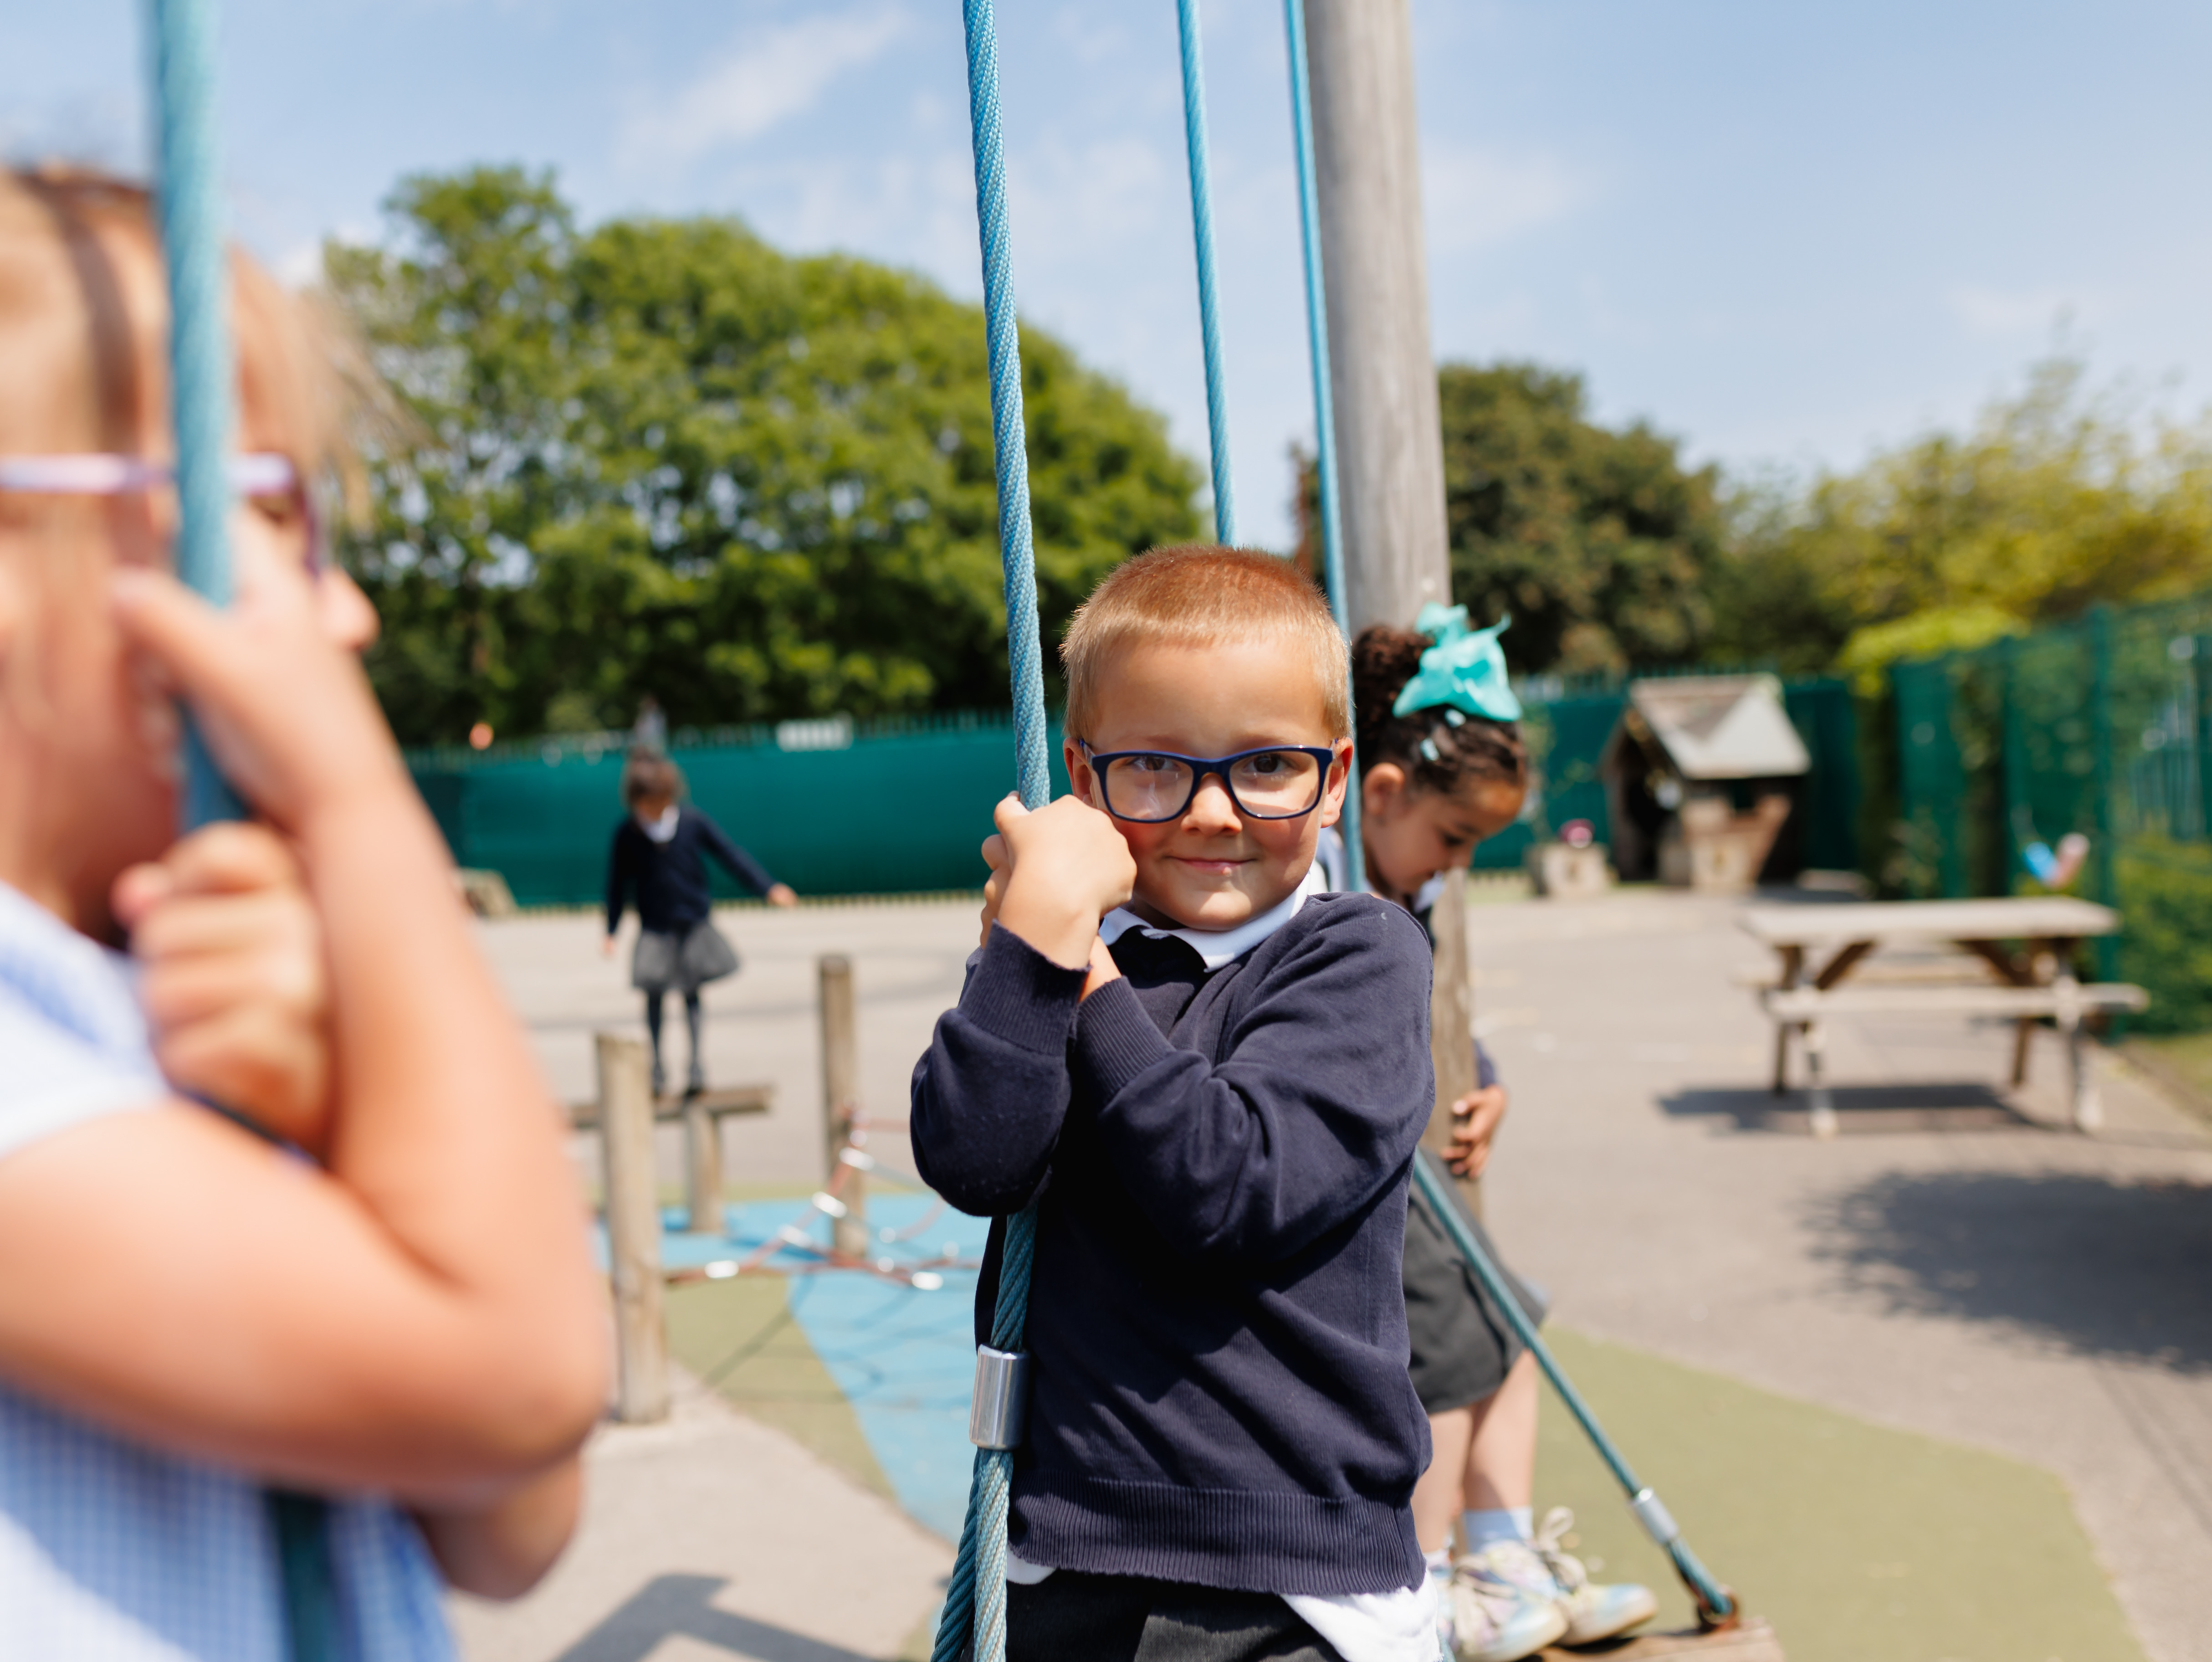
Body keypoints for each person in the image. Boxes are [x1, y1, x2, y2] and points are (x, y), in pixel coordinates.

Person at [0, 165, 609, 1658]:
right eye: (268, 522)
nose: (345, 616)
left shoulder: (123, 1002)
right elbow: (513, 1370)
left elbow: (512, 1515)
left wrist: (335, 1111)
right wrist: (359, 815)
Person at [912, 546, 1440, 1661]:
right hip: (1063, 1544)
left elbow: (1227, 1184)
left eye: (1266, 767)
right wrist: (1026, 957)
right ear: (1082, 776)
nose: (1209, 813)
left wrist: (1082, 969)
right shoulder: (1056, 948)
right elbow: (976, 1162)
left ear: (1334, 776)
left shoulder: (1355, 953)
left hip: (1281, 1578)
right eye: (1152, 768)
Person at [1336, 607, 1658, 1662]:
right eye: (1452, 839)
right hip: (1358, 1183)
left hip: (1406, 1165)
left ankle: (1500, 1556)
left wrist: (1484, 1080)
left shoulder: (1397, 886)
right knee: (1443, 1361)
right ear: (1381, 795)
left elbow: (1422, 1025)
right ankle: (1420, 1586)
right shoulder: (1333, 896)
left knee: (1508, 1323)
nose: (1451, 865)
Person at [601, 751, 795, 1098]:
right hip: (655, 927)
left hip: (692, 922)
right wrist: (611, 931)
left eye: (659, 803)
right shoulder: (627, 834)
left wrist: (767, 887)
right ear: (635, 801)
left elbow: (730, 855)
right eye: (646, 805)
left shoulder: (692, 823)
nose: (653, 811)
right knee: (653, 994)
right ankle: (657, 1066)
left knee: (691, 994)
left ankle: (695, 1065)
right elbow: (617, 885)